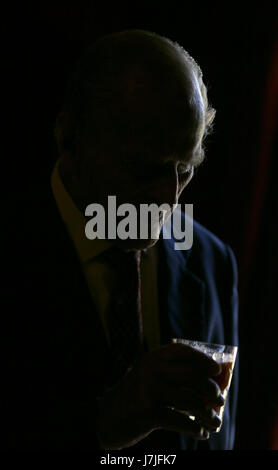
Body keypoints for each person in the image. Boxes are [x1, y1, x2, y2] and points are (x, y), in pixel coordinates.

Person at [3, 29, 238, 450]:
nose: (170, 200)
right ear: (70, 139)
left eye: (185, 169)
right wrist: (103, 426)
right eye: (144, 169)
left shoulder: (211, 261)